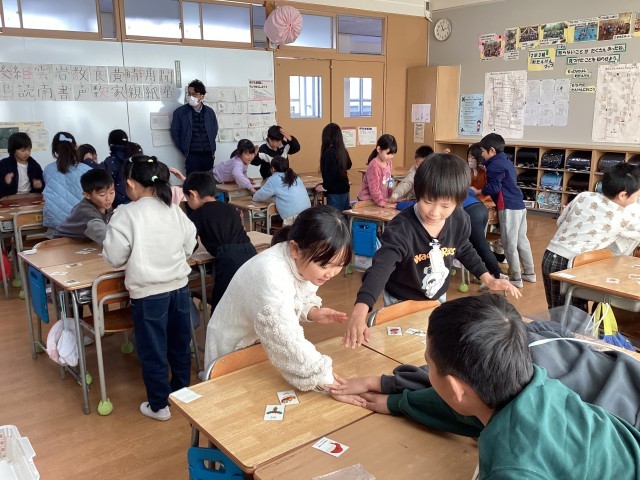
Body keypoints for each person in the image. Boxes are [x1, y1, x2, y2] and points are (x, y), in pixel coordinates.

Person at [330, 295, 640, 479]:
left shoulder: (512, 466)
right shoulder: (537, 384)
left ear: (456, 388)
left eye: (429, 364)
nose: (427, 369)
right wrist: (396, 402)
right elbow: (466, 410)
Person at [343, 153, 520, 348]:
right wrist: (360, 311)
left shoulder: (459, 218)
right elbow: (380, 268)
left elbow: (463, 249)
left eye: (445, 205)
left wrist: (488, 278)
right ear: (417, 194)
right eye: (428, 201)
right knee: (402, 346)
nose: (435, 212)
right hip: (400, 298)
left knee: (430, 345)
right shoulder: (402, 228)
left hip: (436, 296)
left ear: (459, 201)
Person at [203, 206, 360, 396]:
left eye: (339, 265)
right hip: (232, 348)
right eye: (324, 265)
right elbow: (286, 338)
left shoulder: (302, 262)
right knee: (232, 400)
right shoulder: (271, 272)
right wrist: (328, 381)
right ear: (295, 249)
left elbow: (298, 294)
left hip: (260, 344)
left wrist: (311, 310)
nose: (331, 273)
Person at [103, 155, 197, 421]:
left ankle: (159, 406)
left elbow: (114, 258)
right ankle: (182, 394)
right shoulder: (173, 209)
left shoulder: (126, 214)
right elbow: (190, 244)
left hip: (148, 294)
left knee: (153, 351)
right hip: (179, 288)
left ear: (131, 183)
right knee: (179, 345)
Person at [542, 162, 640, 310]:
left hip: (550, 255)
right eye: (637, 195)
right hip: (570, 263)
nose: (637, 199)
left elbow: (560, 222)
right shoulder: (624, 215)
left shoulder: (584, 196)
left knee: (558, 309)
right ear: (622, 195)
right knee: (572, 312)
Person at [183, 171, 257, 310]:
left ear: (193, 194)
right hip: (250, 252)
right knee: (247, 300)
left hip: (230, 259)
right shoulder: (230, 208)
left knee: (221, 307)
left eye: (187, 199)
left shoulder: (197, 214)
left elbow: (190, 243)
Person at [472, 133, 535, 288]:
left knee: (509, 243)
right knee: (521, 240)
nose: (481, 154)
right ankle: (529, 273)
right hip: (519, 205)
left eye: (483, 151)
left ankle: (516, 278)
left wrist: (479, 191)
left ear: (492, 150)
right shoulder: (505, 161)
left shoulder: (494, 165)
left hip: (508, 207)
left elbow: (494, 187)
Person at [43, 132, 92, 231]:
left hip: (55, 222)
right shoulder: (86, 169)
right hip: (81, 220)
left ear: (55, 149)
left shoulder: (48, 169)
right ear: (75, 147)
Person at [54, 168, 115, 246]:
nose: (108, 198)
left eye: (111, 192)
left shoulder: (105, 205)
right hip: (63, 243)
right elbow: (107, 239)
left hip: (86, 241)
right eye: (102, 195)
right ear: (86, 195)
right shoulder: (86, 213)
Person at [170, 79, 219, 175]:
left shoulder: (209, 112)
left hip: (208, 154)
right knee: (192, 181)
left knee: (207, 181)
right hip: (192, 156)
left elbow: (214, 130)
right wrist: (185, 150)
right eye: (189, 94)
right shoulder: (180, 112)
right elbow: (175, 133)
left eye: (195, 94)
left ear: (202, 96)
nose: (191, 97)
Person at [252, 156, 311, 225]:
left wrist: (253, 193)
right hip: (308, 214)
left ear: (273, 169)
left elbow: (258, 197)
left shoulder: (273, 179)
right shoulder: (295, 176)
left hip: (293, 219)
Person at [316, 123, 352, 213]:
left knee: (335, 217)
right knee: (344, 217)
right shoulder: (342, 150)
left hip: (335, 192)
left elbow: (330, 174)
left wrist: (323, 186)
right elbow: (349, 165)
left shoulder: (329, 152)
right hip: (345, 189)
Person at [357, 134, 398, 208]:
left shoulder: (389, 162)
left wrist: (391, 195)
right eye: (388, 154)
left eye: (392, 154)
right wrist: (382, 202)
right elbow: (374, 189)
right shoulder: (374, 166)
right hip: (368, 200)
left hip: (380, 199)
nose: (390, 157)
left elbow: (390, 180)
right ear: (378, 149)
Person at [0, 132, 44, 199]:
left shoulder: (34, 165)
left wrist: (39, 185)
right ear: (13, 150)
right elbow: (2, 190)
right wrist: (6, 182)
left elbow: (42, 186)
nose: (27, 153)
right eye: (23, 150)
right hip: (12, 196)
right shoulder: (4, 164)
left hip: (30, 195)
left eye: (29, 150)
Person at [101, 129, 131, 208]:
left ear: (110, 144)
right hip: (141, 202)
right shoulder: (136, 157)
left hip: (119, 207)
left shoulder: (107, 163)